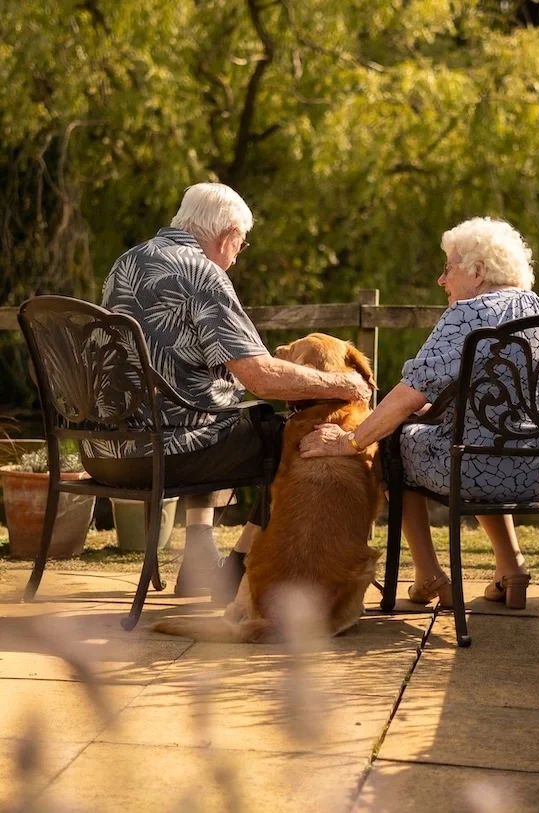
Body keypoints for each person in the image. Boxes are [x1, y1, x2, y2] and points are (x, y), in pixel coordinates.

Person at [81, 182, 371, 600]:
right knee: (290, 438)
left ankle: (199, 560)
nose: (237, 255)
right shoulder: (203, 273)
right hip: (161, 454)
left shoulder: (128, 261)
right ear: (228, 235)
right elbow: (262, 378)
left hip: (104, 451)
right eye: (242, 244)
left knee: (220, 413)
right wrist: (345, 384)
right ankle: (234, 570)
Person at [300, 217, 539, 610]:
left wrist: (351, 440)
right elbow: (511, 402)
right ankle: (512, 567)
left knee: (395, 441)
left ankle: (430, 574)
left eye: (448, 267)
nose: (441, 280)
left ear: (478, 272)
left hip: (483, 469)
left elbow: (405, 398)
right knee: (470, 439)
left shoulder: (467, 315)